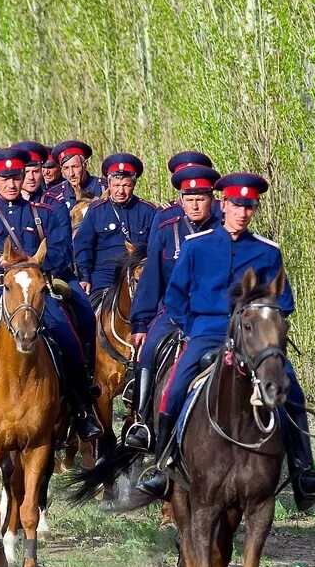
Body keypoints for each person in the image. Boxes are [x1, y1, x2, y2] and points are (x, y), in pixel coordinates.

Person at [134, 172, 315, 510]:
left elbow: (284, 301)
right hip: (206, 331)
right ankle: (162, 467)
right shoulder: (196, 246)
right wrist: (191, 329)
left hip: (253, 337)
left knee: (291, 389)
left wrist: (263, 322)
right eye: (236, 206)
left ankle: (305, 474)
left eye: (249, 207)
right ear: (223, 205)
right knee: (173, 389)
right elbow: (175, 297)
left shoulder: (266, 252)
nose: (242, 213)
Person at [0, 147, 102, 445]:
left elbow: (62, 255)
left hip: (31, 292)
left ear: (24, 177)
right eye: (4, 178)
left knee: (67, 338)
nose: (11, 184)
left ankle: (81, 409)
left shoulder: (47, 213)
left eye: (16, 177)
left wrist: (27, 265)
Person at [122, 164, 220, 451]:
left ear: (211, 200)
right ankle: (143, 422)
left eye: (201, 198)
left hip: (213, 315)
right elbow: (151, 277)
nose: (195, 205)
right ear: (180, 200)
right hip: (174, 312)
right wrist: (140, 323)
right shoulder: (167, 228)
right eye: (189, 199)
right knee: (151, 348)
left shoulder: (223, 230)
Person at [73, 152, 157, 299]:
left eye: (126, 185)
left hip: (139, 275)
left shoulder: (148, 211)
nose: (120, 191)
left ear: (134, 185)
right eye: (116, 185)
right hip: (104, 276)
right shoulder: (96, 210)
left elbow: (156, 246)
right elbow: (83, 246)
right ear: (109, 185)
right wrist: (85, 277)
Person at [44, 140, 106, 215]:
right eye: (66, 168)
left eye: (75, 167)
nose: (71, 174)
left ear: (85, 165)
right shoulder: (54, 195)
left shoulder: (103, 188)